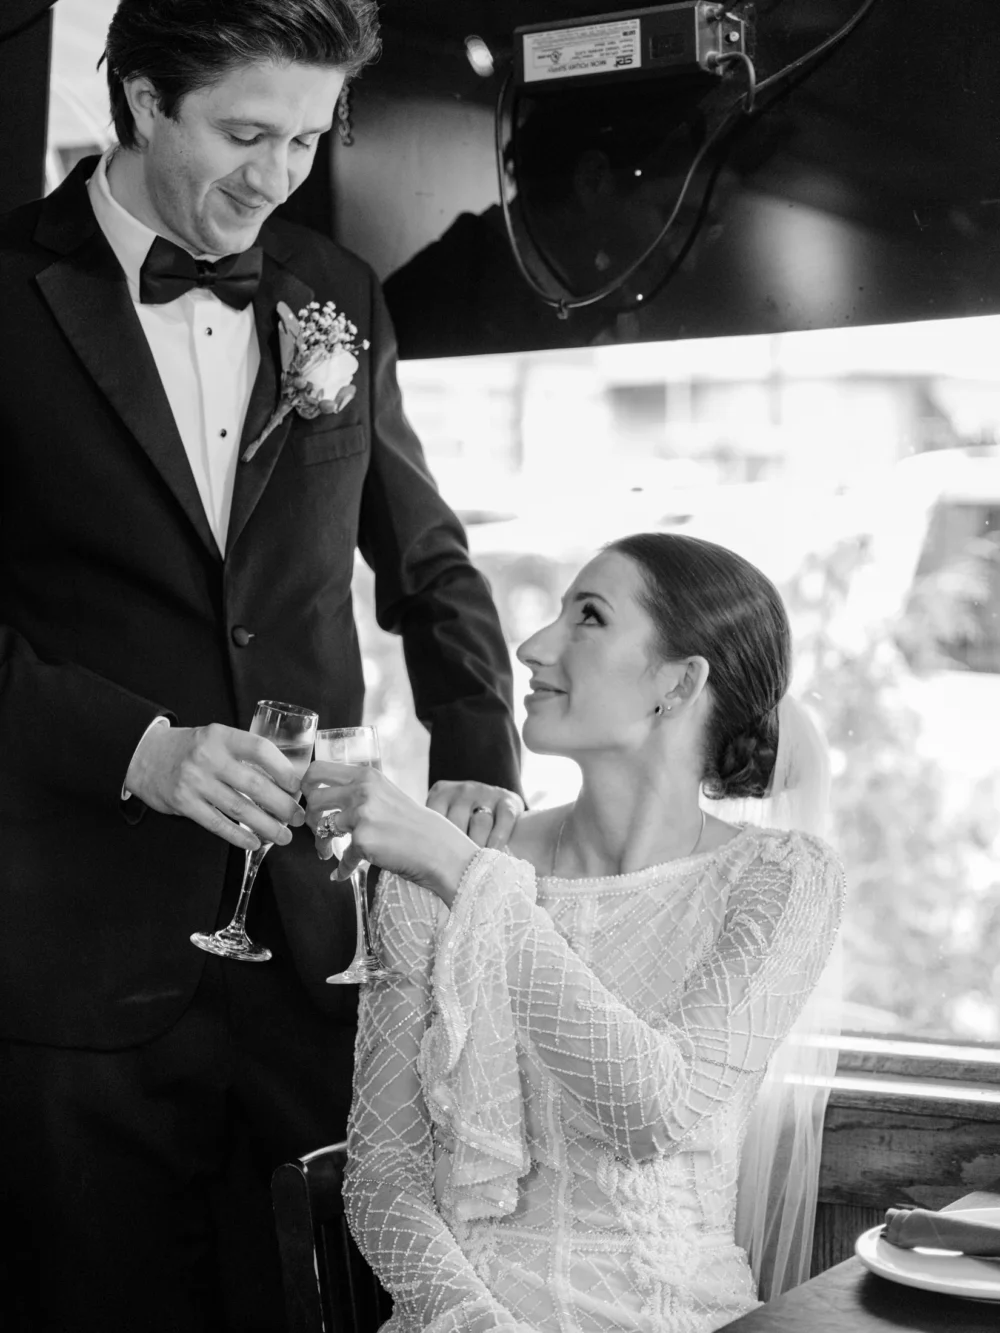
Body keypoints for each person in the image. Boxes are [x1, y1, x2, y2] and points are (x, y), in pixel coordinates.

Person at [0, 2, 522, 1328]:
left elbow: (426, 551)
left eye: (304, 136)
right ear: (140, 102)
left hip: (306, 935)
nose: (276, 173)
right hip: (71, 952)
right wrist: (139, 748)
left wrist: (479, 747)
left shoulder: (331, 292)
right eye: (244, 132)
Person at [301, 532, 845, 1333]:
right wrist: (476, 1325)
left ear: (678, 680)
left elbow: (649, 1112)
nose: (531, 645)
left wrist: (467, 874)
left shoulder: (784, 880)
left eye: (587, 616)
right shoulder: (441, 864)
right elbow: (383, 1177)